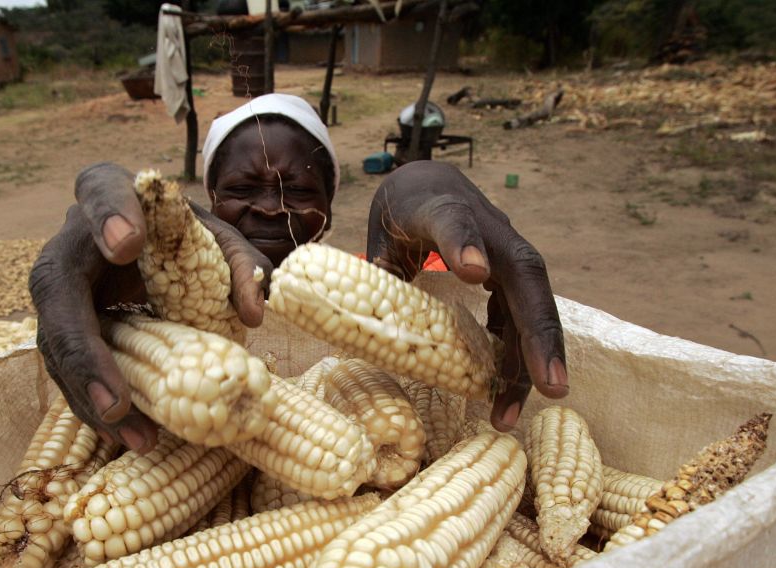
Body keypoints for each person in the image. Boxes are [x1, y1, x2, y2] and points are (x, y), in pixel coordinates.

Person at [29, 93, 568, 454]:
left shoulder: (387, 281)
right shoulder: (148, 300)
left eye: (300, 191)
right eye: (243, 189)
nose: (270, 208)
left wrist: (417, 178)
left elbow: (431, 291)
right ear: (209, 200)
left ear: (329, 210)